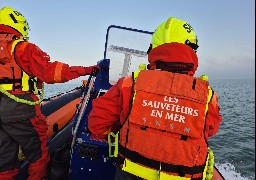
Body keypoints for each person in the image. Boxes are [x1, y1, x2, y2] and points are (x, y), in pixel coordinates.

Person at [88, 17, 222, 179]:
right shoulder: (207, 95)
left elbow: (97, 123)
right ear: (191, 49)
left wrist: (122, 130)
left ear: (153, 48)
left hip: (130, 171)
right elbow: (211, 130)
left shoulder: (129, 84)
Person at [0, 6, 99, 180]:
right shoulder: (22, 48)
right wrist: (85, 70)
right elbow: (51, 72)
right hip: (20, 108)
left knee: (5, 161)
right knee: (39, 155)